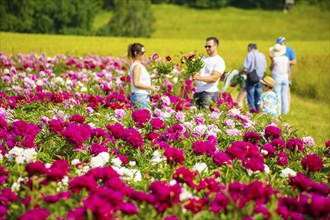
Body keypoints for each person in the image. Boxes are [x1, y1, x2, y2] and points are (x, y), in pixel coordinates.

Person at [192, 37, 226, 109]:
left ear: (216, 46)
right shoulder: (202, 59)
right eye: (206, 46)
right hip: (198, 91)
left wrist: (199, 78)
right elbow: (196, 72)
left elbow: (214, 78)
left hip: (209, 92)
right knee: (193, 116)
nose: (207, 48)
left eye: (209, 46)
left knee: (206, 116)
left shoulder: (219, 61)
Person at [128, 43, 157, 110]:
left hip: (140, 95)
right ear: (136, 53)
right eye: (142, 52)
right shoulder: (137, 66)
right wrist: (150, 87)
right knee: (144, 118)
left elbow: (141, 79)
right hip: (140, 96)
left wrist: (154, 77)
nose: (144, 54)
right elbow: (136, 83)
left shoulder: (136, 65)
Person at [239, 43, 267, 112]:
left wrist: (240, 72)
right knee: (258, 94)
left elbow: (246, 67)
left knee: (250, 96)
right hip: (260, 77)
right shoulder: (262, 55)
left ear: (249, 48)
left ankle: (252, 112)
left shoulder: (250, 55)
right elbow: (265, 67)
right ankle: (258, 111)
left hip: (252, 77)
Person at [276, 36, 296, 112]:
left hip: (287, 73)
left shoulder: (290, 50)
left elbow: (294, 61)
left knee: (287, 91)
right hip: (278, 73)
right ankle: (280, 109)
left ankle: (287, 109)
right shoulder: (277, 50)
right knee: (279, 92)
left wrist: (286, 61)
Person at [269, 43, 290, 115]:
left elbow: (271, 68)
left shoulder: (275, 59)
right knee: (284, 95)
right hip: (285, 77)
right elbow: (288, 69)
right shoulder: (286, 58)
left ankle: (278, 112)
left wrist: (271, 60)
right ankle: (285, 111)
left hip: (277, 77)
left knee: (277, 95)